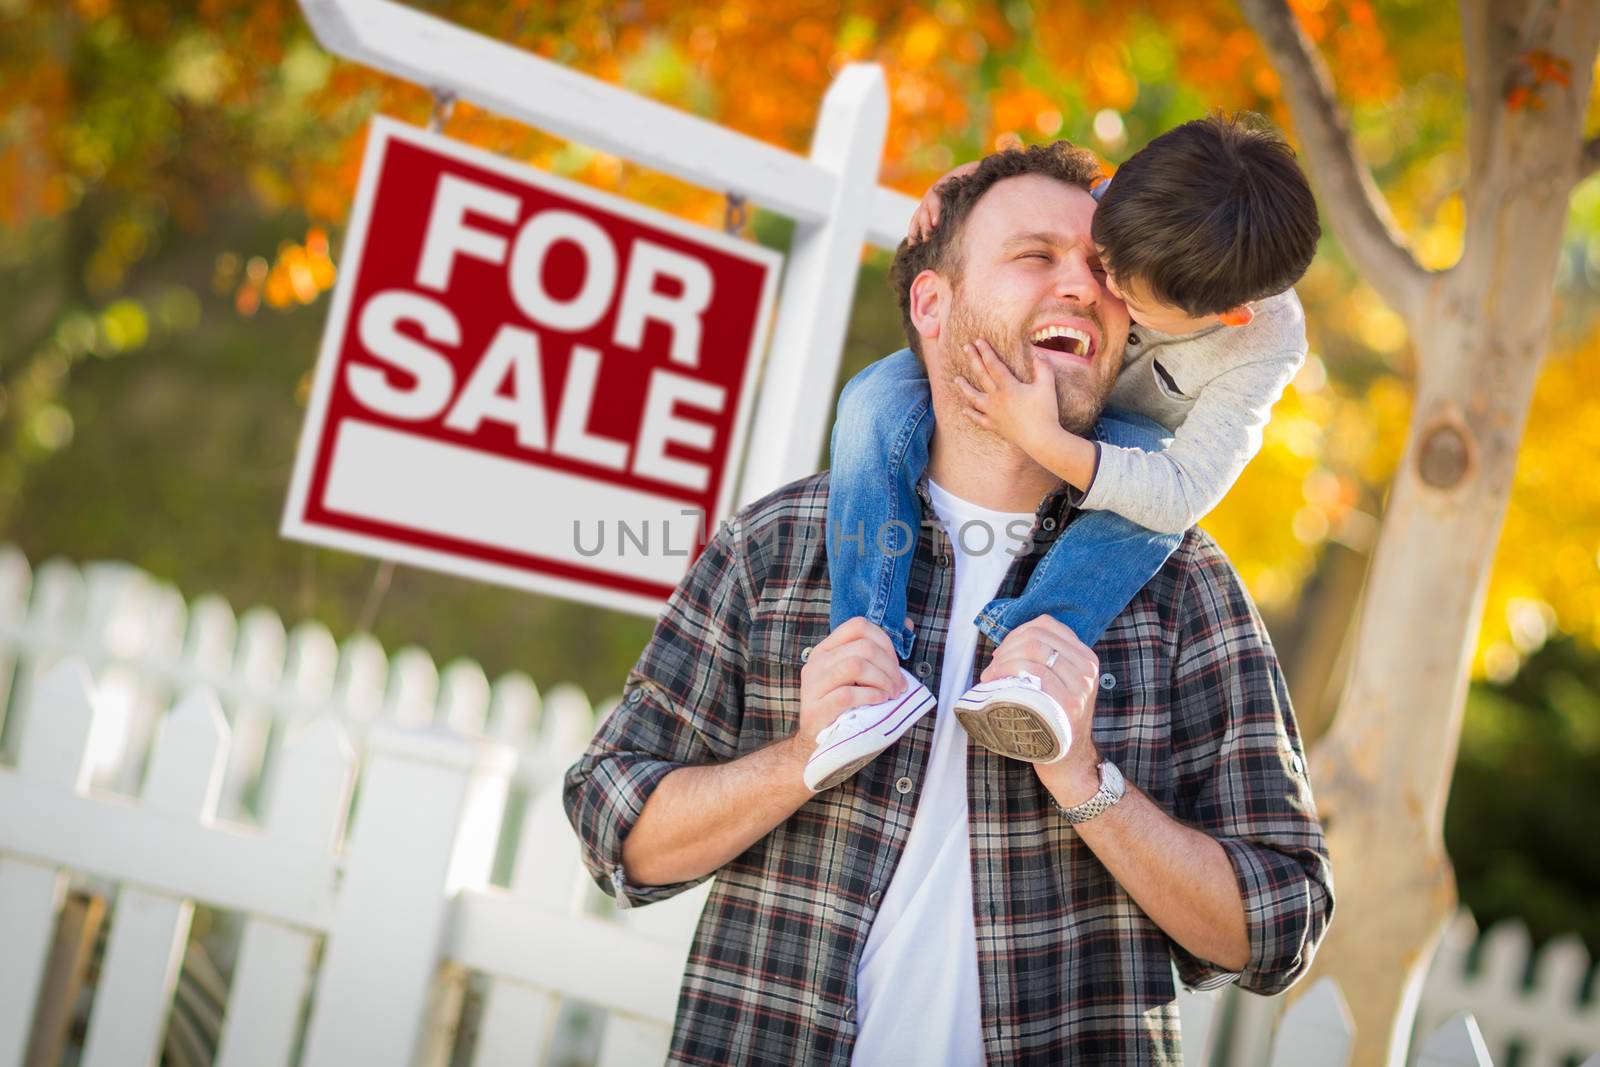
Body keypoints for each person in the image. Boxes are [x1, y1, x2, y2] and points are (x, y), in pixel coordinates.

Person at [564, 140, 1332, 1066]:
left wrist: (1087, 781)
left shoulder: (1185, 590)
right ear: (932, 304)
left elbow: (1279, 924)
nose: (1088, 287)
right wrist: (801, 759)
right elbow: (614, 826)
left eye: (1100, 269)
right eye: (1034, 256)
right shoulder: (774, 547)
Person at [810, 113, 1318, 792]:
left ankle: (1031, 657)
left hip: (1119, 443)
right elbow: (1025, 185)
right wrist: (956, 184)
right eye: (1106, 249)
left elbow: (1183, 490)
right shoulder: (1140, 201)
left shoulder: (1263, 342)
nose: (1092, 285)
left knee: (1149, 516)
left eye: (1122, 288)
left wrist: (1046, 440)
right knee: (872, 398)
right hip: (1018, 373)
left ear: (1227, 316)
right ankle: (865, 655)